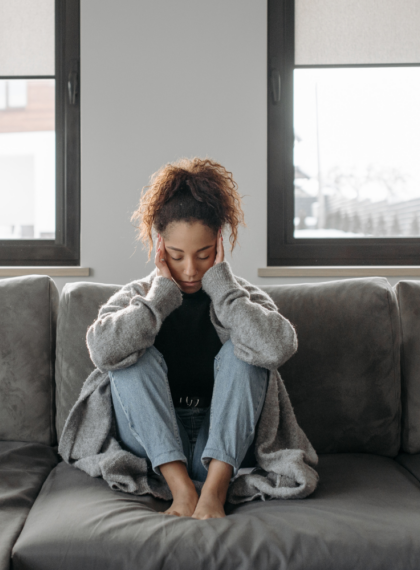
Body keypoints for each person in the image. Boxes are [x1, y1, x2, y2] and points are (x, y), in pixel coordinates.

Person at [58, 158, 319, 520]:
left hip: (226, 446)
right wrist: (157, 301)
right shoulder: (139, 295)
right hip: (154, 446)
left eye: (204, 255)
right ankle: (181, 490)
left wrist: (225, 291)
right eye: (178, 256)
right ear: (159, 246)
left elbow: (277, 347)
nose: (191, 269)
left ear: (220, 246)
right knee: (132, 358)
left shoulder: (240, 298)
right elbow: (102, 351)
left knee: (245, 353)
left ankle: (213, 491)